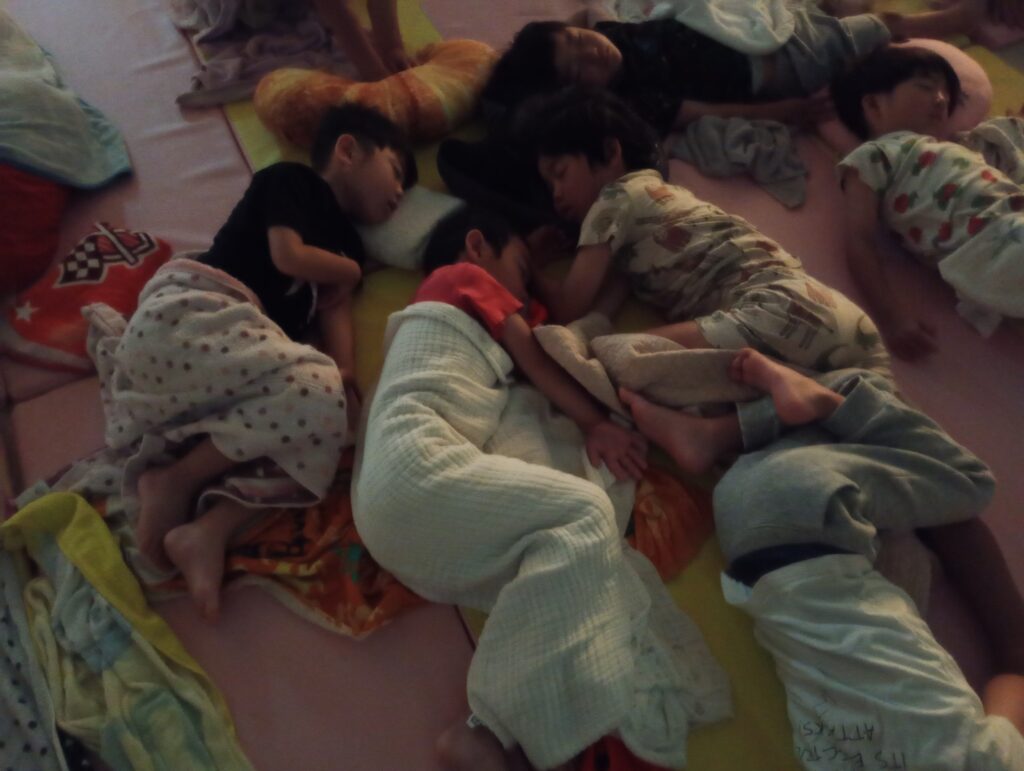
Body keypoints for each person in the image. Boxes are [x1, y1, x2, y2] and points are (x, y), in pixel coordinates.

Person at [618, 347, 1024, 769]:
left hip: (801, 508)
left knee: (969, 481)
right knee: (836, 425)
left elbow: (1014, 672)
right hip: (745, 542)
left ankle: (797, 410)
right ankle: (721, 432)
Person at [117, 103, 417, 620]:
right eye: (395, 171)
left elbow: (335, 310)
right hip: (193, 312)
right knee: (317, 396)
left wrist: (343, 376)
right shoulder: (293, 182)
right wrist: (350, 271)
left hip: (228, 363)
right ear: (348, 150)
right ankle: (178, 481)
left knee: (334, 426)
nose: (399, 195)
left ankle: (209, 530)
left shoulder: (346, 244)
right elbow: (287, 255)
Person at [519, 87, 891, 377]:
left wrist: (528, 262)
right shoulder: (656, 198)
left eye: (560, 174)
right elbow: (599, 311)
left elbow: (570, 305)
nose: (556, 194)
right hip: (833, 314)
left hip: (777, 310)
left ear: (609, 152)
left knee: (613, 356)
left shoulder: (613, 199)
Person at [481, 0, 986, 135]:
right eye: (579, 71)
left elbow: (586, 17)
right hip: (779, 64)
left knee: (831, 17)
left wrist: (566, 30)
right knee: (873, 30)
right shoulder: (632, 97)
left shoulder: (609, 36)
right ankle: (954, 20)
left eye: (578, 43)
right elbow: (699, 112)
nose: (592, 53)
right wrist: (785, 112)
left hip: (737, 24)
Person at [416, 205, 648, 483]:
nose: (526, 297)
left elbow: (571, 340)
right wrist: (596, 424)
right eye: (522, 270)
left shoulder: (485, 322)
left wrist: (624, 281)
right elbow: (538, 363)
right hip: (425, 419)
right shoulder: (464, 278)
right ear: (477, 247)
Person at [832, 45, 1024, 358]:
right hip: (989, 244)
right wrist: (891, 318)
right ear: (873, 104)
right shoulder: (874, 155)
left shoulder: (959, 147)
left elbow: (1008, 148)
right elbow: (859, 239)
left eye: (948, 94)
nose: (941, 99)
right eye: (925, 86)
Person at [311, 0, 413, 81]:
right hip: (309, 30)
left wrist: (392, 48)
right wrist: (375, 73)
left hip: (342, 24)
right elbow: (335, 9)